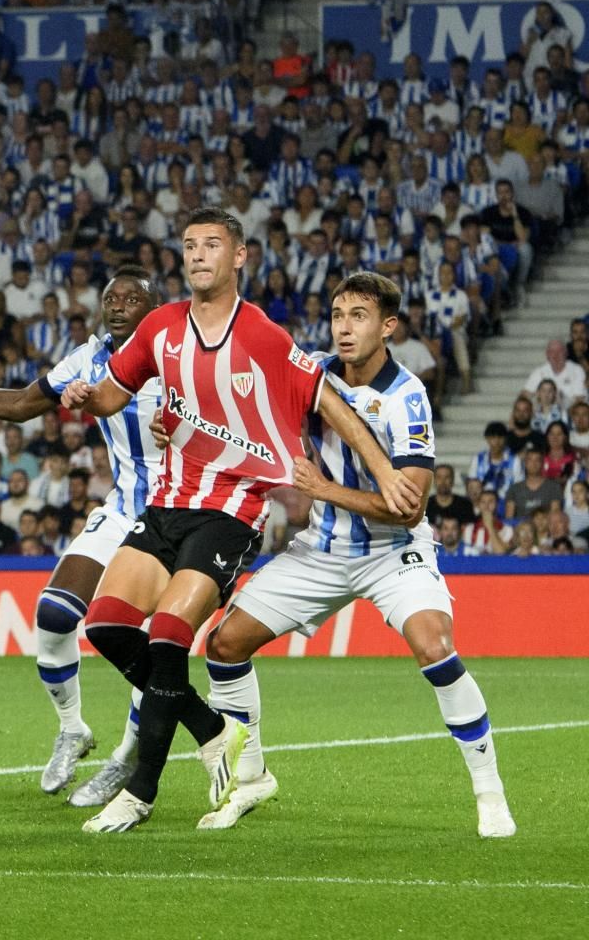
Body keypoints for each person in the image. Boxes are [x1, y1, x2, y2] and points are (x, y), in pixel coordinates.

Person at [62, 208, 421, 833]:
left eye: (212, 246)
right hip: (167, 505)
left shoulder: (261, 335)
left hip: (231, 510)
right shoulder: (159, 328)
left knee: (172, 636)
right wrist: (83, 398)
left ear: (239, 257)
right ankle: (213, 730)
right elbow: (114, 395)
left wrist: (384, 471)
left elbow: (329, 403)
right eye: (189, 246)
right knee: (109, 627)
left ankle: (141, 792)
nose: (198, 256)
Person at [199, 273, 514, 838]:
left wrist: (324, 489)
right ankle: (251, 780)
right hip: (321, 551)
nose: (345, 327)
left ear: (387, 326)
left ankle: (489, 792)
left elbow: (409, 508)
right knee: (223, 645)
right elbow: (245, 402)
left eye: (359, 316)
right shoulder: (314, 371)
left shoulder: (406, 396)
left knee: (435, 647)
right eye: (339, 314)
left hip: (393, 552)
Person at [0, 264, 161, 806]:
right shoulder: (88, 359)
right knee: (54, 613)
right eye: (110, 296)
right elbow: (21, 405)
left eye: (132, 298)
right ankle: (73, 727)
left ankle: (128, 758)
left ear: (153, 309)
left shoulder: (174, 355)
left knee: (144, 640)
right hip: (121, 511)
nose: (117, 305)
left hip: (177, 517)